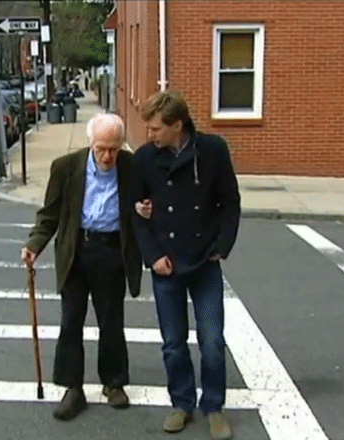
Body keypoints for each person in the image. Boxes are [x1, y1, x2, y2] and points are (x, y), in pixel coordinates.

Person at [130, 90, 240, 439]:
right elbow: (135, 213)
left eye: (155, 128)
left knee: (212, 341)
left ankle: (214, 407)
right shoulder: (145, 158)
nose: (149, 134)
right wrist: (152, 257)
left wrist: (222, 246)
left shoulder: (213, 150)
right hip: (167, 264)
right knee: (173, 343)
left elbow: (230, 202)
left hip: (205, 262)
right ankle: (181, 403)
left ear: (177, 125)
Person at [21, 113, 143, 421]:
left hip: (112, 250)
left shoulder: (132, 167)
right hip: (76, 250)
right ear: (90, 142)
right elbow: (49, 213)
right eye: (101, 148)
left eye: (114, 149)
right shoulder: (66, 167)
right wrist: (35, 244)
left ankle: (113, 382)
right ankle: (72, 387)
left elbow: (145, 203)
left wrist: (146, 209)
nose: (108, 156)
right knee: (70, 321)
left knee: (111, 321)